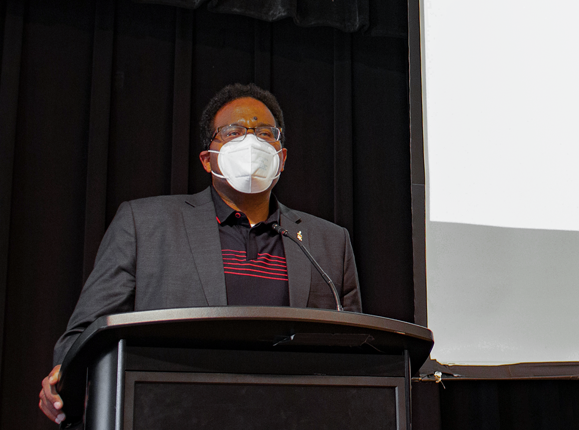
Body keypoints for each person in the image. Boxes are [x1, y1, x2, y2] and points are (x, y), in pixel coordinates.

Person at [38, 83, 361, 424]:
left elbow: (357, 355)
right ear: (208, 160)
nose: (250, 142)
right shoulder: (144, 225)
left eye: (265, 133)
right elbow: (83, 336)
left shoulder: (328, 242)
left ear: (281, 158)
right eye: (233, 132)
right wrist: (67, 378)